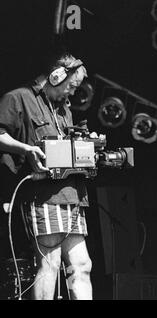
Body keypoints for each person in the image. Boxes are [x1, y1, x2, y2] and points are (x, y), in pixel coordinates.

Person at [0, 53, 92, 300]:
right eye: (71, 86)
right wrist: (26, 149)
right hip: (43, 196)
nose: (72, 93)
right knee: (50, 263)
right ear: (56, 76)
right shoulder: (18, 98)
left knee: (82, 265)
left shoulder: (64, 110)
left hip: (72, 195)